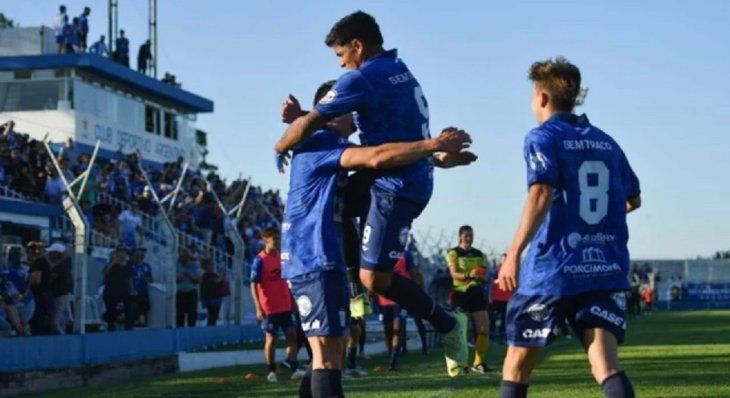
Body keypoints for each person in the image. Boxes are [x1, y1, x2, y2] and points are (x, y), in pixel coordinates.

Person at [276, 11, 472, 377]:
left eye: (340, 56)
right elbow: (352, 126)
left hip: (392, 184)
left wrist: (281, 143)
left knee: (375, 280)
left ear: (357, 46)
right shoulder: (397, 68)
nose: (341, 65)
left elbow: (369, 148)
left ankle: (446, 324)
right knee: (339, 201)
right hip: (397, 176)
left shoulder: (360, 78)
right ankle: (354, 290)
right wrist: (439, 157)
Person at [495, 57, 642, 398]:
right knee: (605, 365)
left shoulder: (542, 137)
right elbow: (633, 199)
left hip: (552, 270)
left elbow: (541, 191)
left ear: (542, 98)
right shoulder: (607, 142)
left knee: (516, 365)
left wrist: (513, 253)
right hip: (603, 267)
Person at [250, 228, 303, 383]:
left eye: (278, 238)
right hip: (269, 307)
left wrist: (293, 300)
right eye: (274, 239)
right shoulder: (260, 260)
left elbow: (289, 280)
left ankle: (294, 367)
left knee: (292, 335)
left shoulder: (282, 258)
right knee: (271, 339)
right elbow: (254, 284)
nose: (278, 242)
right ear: (266, 240)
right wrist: (258, 307)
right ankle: (271, 370)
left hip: (285, 305)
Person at [446, 225, 493, 373]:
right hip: (460, 294)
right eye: (466, 235)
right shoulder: (454, 253)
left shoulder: (479, 254)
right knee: (463, 331)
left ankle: (478, 363)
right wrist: (468, 275)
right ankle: (464, 363)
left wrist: (482, 276)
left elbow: (484, 276)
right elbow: (453, 274)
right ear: (460, 236)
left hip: (476, 293)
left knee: (484, 329)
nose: (469, 238)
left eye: (471, 236)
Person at [102, 247, 134, 331]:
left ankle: (128, 327)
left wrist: (132, 289)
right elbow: (104, 273)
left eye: (124, 252)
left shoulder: (128, 264)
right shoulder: (112, 263)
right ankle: (111, 326)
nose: (122, 254)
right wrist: (114, 262)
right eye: (120, 252)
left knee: (129, 309)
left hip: (124, 291)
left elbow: (130, 278)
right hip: (111, 291)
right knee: (111, 310)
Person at [26, 242, 52, 335]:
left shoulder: (39, 263)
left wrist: (26, 290)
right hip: (45, 294)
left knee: (37, 319)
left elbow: (36, 280)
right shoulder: (44, 263)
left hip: (39, 295)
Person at [47, 243, 73, 334]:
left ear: (56, 254)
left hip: (60, 297)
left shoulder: (60, 267)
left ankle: (63, 339)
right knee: (60, 321)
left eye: (51, 253)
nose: (49, 255)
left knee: (55, 322)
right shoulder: (62, 266)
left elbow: (49, 280)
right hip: (61, 297)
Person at [490, 253, 512, 342]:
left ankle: (503, 337)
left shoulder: (511, 270)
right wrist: (490, 296)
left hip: (506, 299)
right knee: (493, 318)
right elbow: (491, 283)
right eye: (503, 259)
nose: (504, 261)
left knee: (504, 318)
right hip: (496, 298)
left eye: (506, 259)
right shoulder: (495, 271)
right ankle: (491, 336)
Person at [128, 248, 153, 327]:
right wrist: (132, 289)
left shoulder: (146, 266)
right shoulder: (130, 266)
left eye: (140, 256)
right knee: (132, 312)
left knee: (145, 309)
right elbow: (129, 278)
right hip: (133, 293)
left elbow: (151, 279)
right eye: (136, 256)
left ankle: (142, 322)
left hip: (143, 292)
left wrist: (146, 279)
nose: (138, 258)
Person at [176, 249, 200, 327]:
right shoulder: (178, 265)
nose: (182, 260)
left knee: (192, 316)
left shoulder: (194, 266)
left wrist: (190, 276)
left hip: (191, 293)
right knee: (180, 316)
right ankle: (179, 334)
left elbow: (198, 280)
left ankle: (191, 335)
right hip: (180, 293)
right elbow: (175, 279)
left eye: (183, 258)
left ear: (188, 258)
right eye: (181, 257)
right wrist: (178, 278)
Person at [199, 258, 222, 326]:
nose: (212, 266)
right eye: (210, 265)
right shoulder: (205, 275)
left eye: (212, 264)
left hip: (216, 298)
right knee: (212, 316)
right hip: (210, 299)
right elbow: (213, 283)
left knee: (214, 316)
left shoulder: (214, 274)